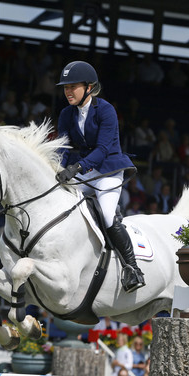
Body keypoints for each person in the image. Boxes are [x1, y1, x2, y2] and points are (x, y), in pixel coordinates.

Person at [55, 61, 145, 293]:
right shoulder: (66, 113)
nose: (67, 92)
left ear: (89, 87)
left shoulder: (105, 110)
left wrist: (76, 168)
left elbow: (103, 149)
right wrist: (57, 167)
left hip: (108, 170)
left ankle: (132, 268)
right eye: (65, 87)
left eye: (72, 86)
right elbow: (63, 146)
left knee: (106, 214)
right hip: (85, 170)